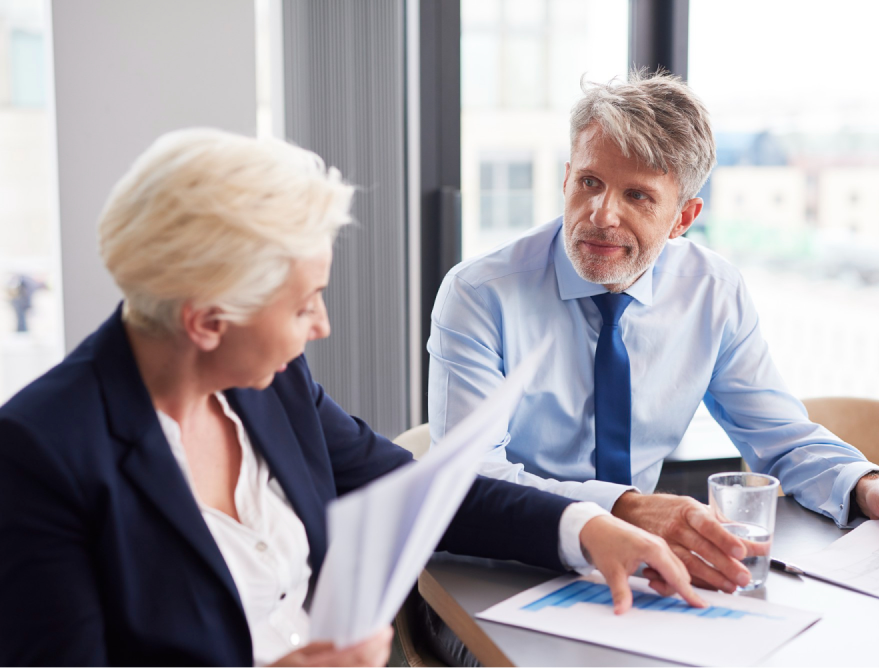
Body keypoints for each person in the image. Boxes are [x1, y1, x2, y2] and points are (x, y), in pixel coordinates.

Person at [0, 129, 704, 668]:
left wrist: (585, 527)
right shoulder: (40, 457)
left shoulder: (271, 386)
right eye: (306, 303)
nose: (322, 326)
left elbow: (419, 489)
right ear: (207, 322)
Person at [427, 71, 879, 595]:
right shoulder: (480, 294)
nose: (602, 214)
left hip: (645, 568)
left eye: (637, 195)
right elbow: (471, 481)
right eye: (590, 182)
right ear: (566, 179)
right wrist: (628, 508)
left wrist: (867, 485)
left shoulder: (712, 291)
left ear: (684, 217)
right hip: (502, 569)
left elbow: (782, 439)